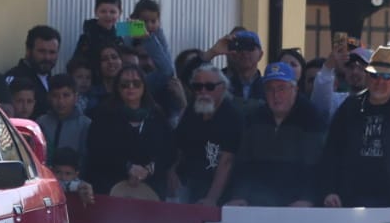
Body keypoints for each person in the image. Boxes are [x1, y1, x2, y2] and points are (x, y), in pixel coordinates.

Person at [319, 45, 390, 210]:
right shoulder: (350, 106)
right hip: (351, 197)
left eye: (387, 76)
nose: (380, 81)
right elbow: (332, 151)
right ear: (367, 76)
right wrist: (330, 190)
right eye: (375, 75)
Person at [224, 62, 325, 207]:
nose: (276, 95)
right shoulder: (255, 118)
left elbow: (316, 167)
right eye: (270, 89)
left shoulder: (311, 118)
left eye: (281, 88)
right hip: (258, 203)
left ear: (295, 89)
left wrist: (307, 199)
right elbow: (244, 164)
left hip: (296, 205)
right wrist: (240, 195)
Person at [84, 65, 174, 196]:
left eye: (136, 83)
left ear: (144, 86)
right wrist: (127, 167)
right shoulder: (103, 114)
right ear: (117, 88)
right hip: (110, 188)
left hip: (151, 189)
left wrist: (150, 169)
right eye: (125, 84)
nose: (131, 87)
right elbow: (96, 150)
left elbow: (169, 150)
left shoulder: (157, 115)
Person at [167, 63, 242, 206]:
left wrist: (211, 198)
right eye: (197, 86)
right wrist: (171, 174)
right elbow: (177, 147)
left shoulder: (232, 116)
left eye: (209, 87)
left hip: (220, 192)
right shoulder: (191, 111)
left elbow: (226, 161)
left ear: (223, 88)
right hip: (188, 185)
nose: (203, 91)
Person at [35, 73, 91, 164]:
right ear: (49, 97)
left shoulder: (85, 125)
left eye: (66, 95)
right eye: (55, 96)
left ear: (75, 97)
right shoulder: (41, 123)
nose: (61, 101)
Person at [4, 25, 61, 100]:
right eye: (42, 51)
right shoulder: (14, 79)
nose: (47, 57)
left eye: (52, 52)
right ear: (28, 50)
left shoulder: (53, 81)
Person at [70, 0, 123, 66]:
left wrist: (137, 29)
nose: (108, 15)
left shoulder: (121, 32)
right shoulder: (87, 37)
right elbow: (76, 64)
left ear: (120, 13)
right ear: (95, 12)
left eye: (112, 12)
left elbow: (145, 31)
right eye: (103, 11)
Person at [211, 28, 265, 105]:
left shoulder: (268, 87)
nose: (244, 52)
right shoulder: (220, 84)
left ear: (260, 55)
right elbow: (191, 77)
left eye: (250, 47)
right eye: (239, 47)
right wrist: (213, 52)